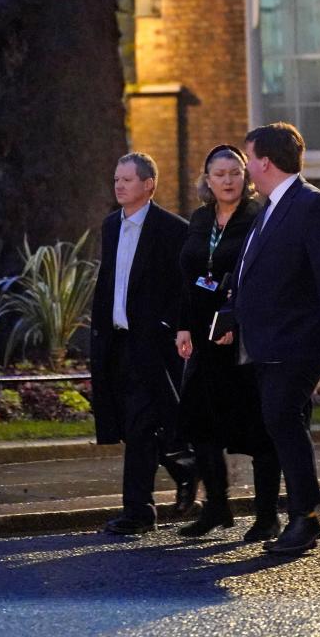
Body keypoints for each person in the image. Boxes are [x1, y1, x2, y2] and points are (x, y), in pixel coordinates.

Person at [229, 122, 320, 555]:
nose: (246, 168)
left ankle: (306, 517)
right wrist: (233, 314)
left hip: (297, 340)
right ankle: (303, 514)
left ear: (265, 161)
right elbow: (255, 272)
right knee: (284, 421)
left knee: (282, 418)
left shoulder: (311, 204)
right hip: (267, 338)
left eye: (248, 159)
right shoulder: (268, 207)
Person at [175, 145, 281, 542]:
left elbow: (264, 277)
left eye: (235, 172)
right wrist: (184, 326)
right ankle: (217, 506)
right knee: (201, 426)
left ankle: (267, 515)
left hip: (243, 341)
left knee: (257, 430)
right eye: (219, 174)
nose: (228, 180)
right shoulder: (201, 218)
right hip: (205, 339)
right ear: (207, 180)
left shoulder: (258, 217)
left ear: (246, 176)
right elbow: (188, 276)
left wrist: (238, 319)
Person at [90, 152, 199, 535]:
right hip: (116, 341)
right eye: (116, 179)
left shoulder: (172, 229)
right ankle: (185, 467)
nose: (119, 185)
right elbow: (111, 280)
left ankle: (138, 511)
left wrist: (170, 325)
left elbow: (186, 285)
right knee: (137, 423)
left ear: (148, 184)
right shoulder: (109, 226)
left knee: (140, 424)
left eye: (127, 180)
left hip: (152, 342)